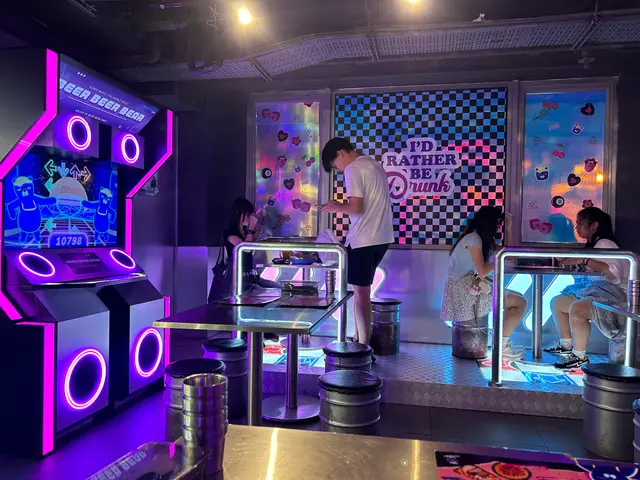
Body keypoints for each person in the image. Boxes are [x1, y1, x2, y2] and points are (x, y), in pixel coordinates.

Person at [320, 138, 394, 354]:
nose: (338, 169)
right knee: (363, 292)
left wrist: (335, 206)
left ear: (340, 154)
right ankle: (358, 337)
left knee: (360, 294)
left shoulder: (353, 168)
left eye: (335, 165)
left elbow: (355, 207)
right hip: (382, 237)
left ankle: (363, 346)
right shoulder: (374, 165)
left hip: (363, 239)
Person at [545, 207, 628, 370]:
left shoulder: (604, 243)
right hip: (600, 291)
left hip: (617, 296)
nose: (576, 228)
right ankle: (566, 346)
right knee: (557, 303)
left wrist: (584, 261)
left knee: (578, 309)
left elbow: (613, 274)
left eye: (580, 224)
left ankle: (579, 356)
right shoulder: (593, 244)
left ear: (594, 225)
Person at [441, 206, 527, 360]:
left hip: (471, 287)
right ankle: (501, 347)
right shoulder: (473, 239)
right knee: (520, 302)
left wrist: (509, 229)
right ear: (489, 223)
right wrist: (499, 259)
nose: (498, 228)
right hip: (465, 291)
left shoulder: (478, 239)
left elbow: (509, 253)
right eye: (498, 224)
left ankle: (501, 344)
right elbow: (482, 271)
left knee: (518, 298)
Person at [224, 197, 280, 342]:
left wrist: (255, 229)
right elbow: (246, 249)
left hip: (252, 276)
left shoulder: (244, 233)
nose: (250, 218)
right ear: (239, 214)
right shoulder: (231, 234)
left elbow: (255, 244)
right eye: (248, 214)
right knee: (258, 297)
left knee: (277, 289)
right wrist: (251, 229)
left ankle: (264, 330)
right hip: (239, 279)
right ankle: (251, 334)